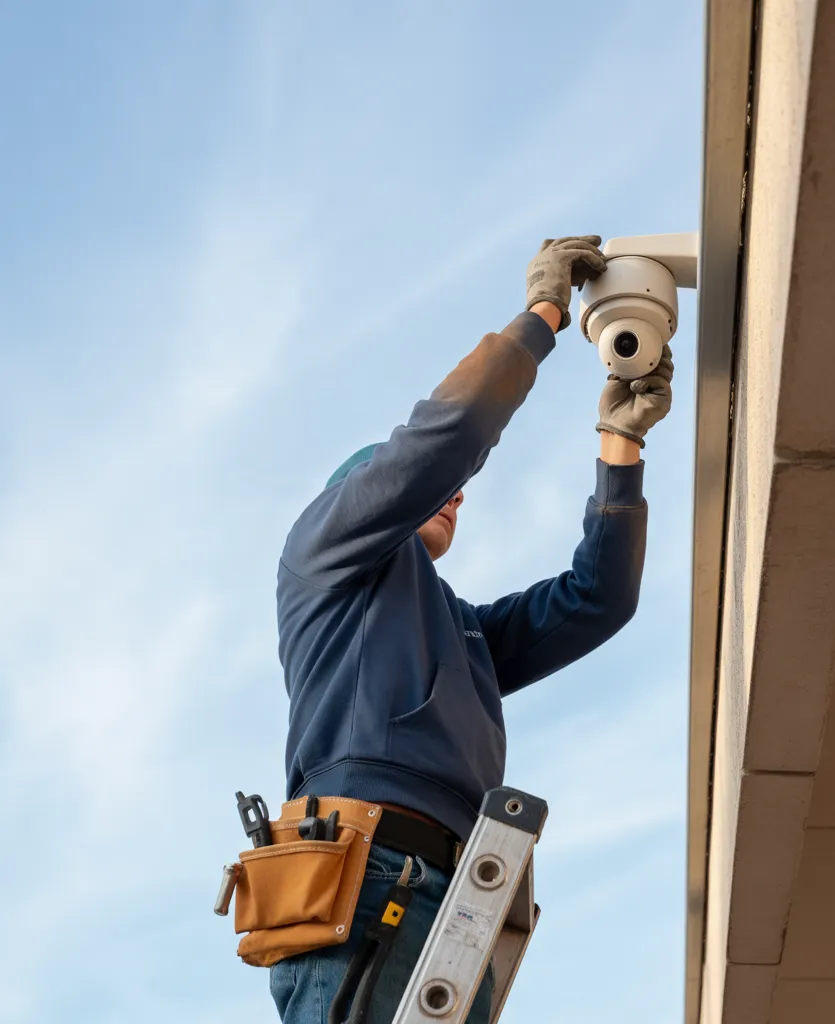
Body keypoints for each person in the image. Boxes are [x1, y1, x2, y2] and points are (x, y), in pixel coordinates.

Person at [270, 236, 674, 1023]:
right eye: (436, 486)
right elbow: (442, 442)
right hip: (364, 880)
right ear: (370, 494)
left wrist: (621, 441)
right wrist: (543, 317)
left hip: (458, 901)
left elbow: (599, 599)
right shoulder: (324, 550)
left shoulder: (460, 633)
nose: (458, 494)